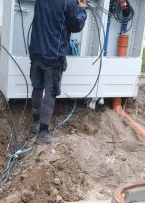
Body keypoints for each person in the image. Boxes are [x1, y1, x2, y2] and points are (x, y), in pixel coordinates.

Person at [28, 0, 87, 145]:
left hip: (36, 52)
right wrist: (81, 9)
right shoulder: (68, 2)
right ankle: (42, 133)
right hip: (53, 55)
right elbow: (76, 25)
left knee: (37, 87)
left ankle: (36, 123)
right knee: (50, 92)